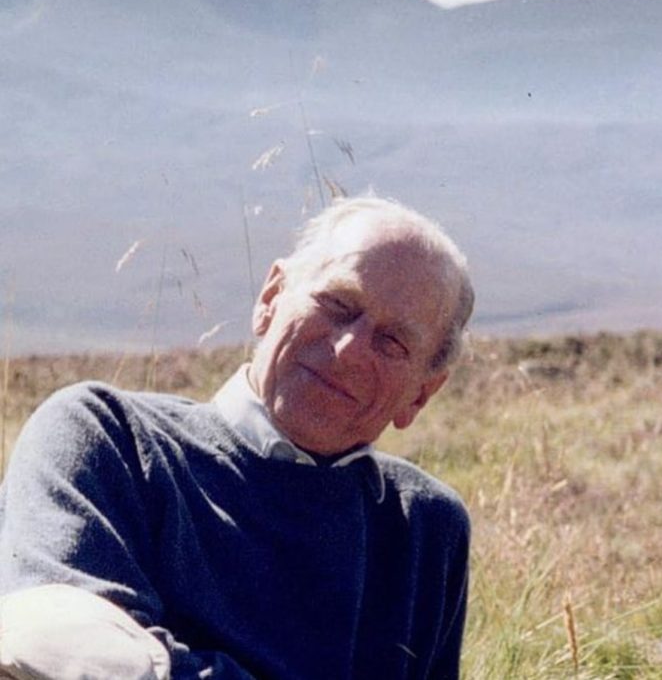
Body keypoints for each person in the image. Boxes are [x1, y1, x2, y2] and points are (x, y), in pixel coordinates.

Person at [0, 195, 476, 679]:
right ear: (271, 298)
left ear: (421, 395)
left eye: (392, 342)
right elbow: (65, 648)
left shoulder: (424, 525)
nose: (348, 349)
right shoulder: (106, 437)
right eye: (337, 304)